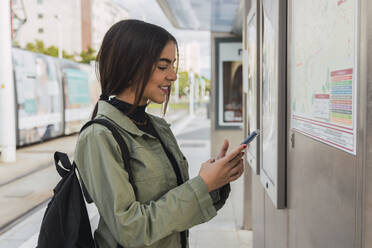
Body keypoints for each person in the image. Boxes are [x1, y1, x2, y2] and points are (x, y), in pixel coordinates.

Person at [74, 19, 246, 248]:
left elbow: (175, 210)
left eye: (173, 65)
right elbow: (130, 229)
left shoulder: (157, 126)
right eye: (163, 67)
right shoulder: (98, 136)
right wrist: (202, 185)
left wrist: (216, 179)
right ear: (131, 68)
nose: (173, 76)